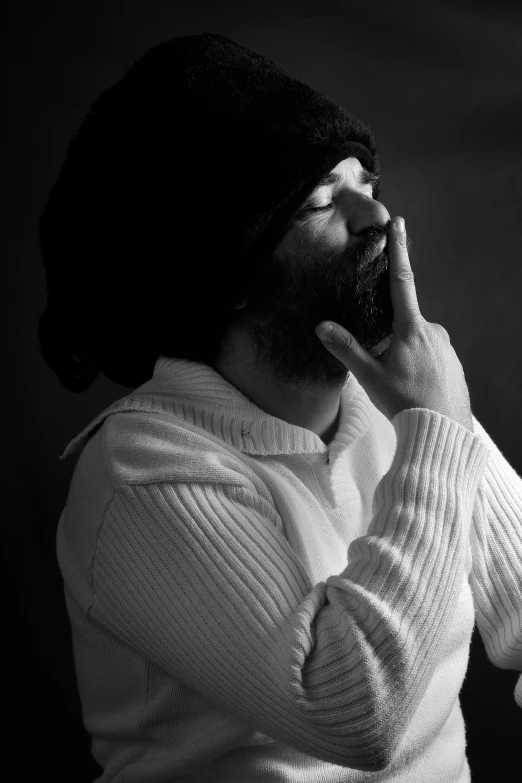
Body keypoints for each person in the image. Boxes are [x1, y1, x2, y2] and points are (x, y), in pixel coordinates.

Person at [38, 34, 522, 782]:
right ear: (222, 272)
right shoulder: (138, 472)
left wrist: (431, 425)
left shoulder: (401, 403)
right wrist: (434, 431)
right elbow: (359, 715)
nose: (378, 216)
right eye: (324, 198)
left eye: (369, 180)